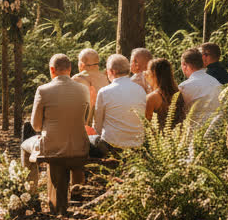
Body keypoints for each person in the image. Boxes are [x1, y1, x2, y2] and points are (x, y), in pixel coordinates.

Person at [20, 54, 91, 190]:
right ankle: (76, 190)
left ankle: (31, 193)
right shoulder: (83, 90)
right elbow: (85, 121)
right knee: (73, 158)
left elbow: (36, 126)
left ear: (52, 70)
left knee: (24, 146)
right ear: (70, 69)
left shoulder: (43, 90)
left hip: (52, 148)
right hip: (80, 147)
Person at [90, 53, 147, 158]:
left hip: (112, 146)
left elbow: (97, 127)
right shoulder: (140, 90)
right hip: (137, 145)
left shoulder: (104, 92)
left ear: (111, 71)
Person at [178, 47, 224, 129]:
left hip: (192, 135)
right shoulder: (216, 83)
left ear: (184, 65)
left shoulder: (184, 87)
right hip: (217, 131)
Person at [72, 47, 109, 126]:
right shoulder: (107, 78)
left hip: (83, 128)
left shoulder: (76, 79)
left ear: (81, 64)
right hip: (105, 126)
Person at [144, 57, 182, 127]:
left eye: (147, 70)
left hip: (160, 136)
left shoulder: (152, 98)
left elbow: (146, 124)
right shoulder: (178, 92)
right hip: (179, 135)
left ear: (153, 73)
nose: (145, 73)